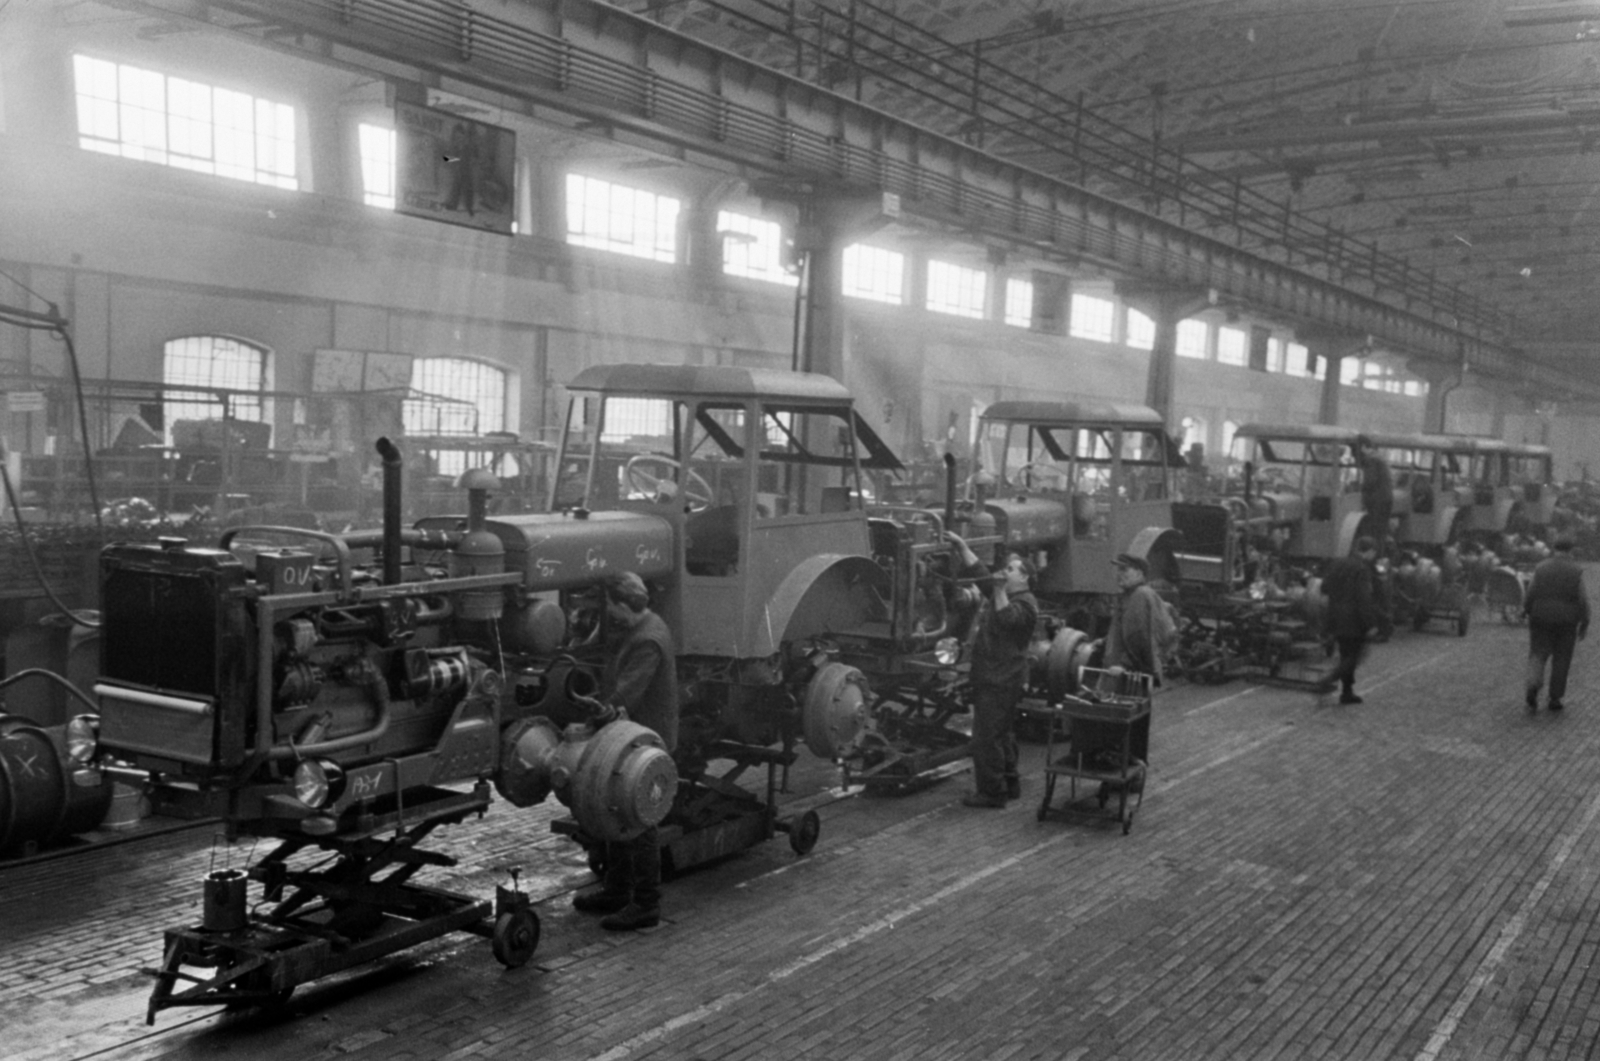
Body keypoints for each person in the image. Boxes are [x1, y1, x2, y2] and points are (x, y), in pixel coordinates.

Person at [571, 571, 680, 931]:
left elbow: (627, 693)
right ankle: (617, 890)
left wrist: (598, 711)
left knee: (640, 819)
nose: (608, 613)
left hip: (647, 742)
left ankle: (647, 905)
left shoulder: (648, 639)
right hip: (631, 737)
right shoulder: (641, 627)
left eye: (609, 606)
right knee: (614, 806)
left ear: (621, 604)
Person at [947, 531, 1038, 808]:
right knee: (1003, 734)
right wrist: (962, 546)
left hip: (1000, 680)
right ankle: (1010, 785)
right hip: (1000, 678)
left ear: (1023, 578)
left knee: (986, 738)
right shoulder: (1006, 594)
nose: (1003, 571)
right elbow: (980, 572)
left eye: (1010, 569)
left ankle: (991, 793)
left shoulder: (1025, 604)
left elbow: (1007, 618)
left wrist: (997, 588)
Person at [1522, 536, 1590, 712]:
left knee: (1537, 653)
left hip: (1540, 616)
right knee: (1562, 659)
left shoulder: (1541, 568)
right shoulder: (1576, 571)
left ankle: (1533, 685)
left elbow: (1531, 592)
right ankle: (1555, 698)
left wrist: (1527, 609)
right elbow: (1582, 599)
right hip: (1566, 620)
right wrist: (1585, 620)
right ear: (1571, 551)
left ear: (1554, 549)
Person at [1321, 536, 1381, 704]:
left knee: (1345, 654)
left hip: (1335, 616)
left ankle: (1347, 692)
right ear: (1369, 552)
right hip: (1353, 620)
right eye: (1373, 553)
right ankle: (1328, 680)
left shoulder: (1337, 564)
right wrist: (1370, 624)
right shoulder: (1362, 569)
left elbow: (1324, 587)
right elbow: (1363, 598)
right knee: (1354, 656)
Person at [1104, 553, 1176, 684]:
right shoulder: (1130, 596)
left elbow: (1139, 637)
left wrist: (1125, 665)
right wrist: (1105, 641)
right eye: (1118, 570)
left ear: (1139, 573)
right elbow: (1124, 631)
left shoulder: (1140, 596)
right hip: (1127, 672)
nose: (1119, 574)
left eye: (1124, 570)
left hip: (1130, 673)